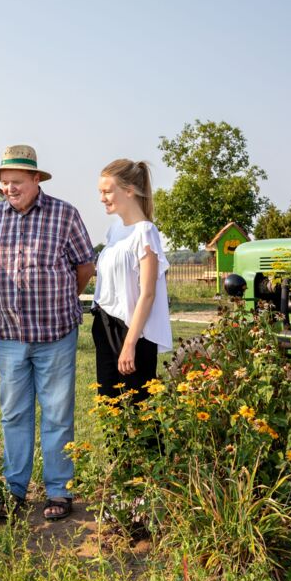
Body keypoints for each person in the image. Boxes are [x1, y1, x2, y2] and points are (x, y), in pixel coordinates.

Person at [0, 145, 94, 521]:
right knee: (13, 414)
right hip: (9, 335)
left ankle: (59, 491)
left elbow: (85, 266)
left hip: (55, 333)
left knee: (58, 415)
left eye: (16, 182)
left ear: (36, 180)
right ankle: (15, 488)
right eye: (4, 182)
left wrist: (61, 300)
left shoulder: (65, 214)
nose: (9, 188)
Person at [92, 159, 172, 402]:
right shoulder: (114, 230)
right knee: (109, 406)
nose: (102, 198)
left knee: (139, 411)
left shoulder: (145, 232)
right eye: (100, 192)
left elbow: (148, 294)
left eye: (107, 191)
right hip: (105, 324)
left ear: (129, 191)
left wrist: (129, 344)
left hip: (133, 332)